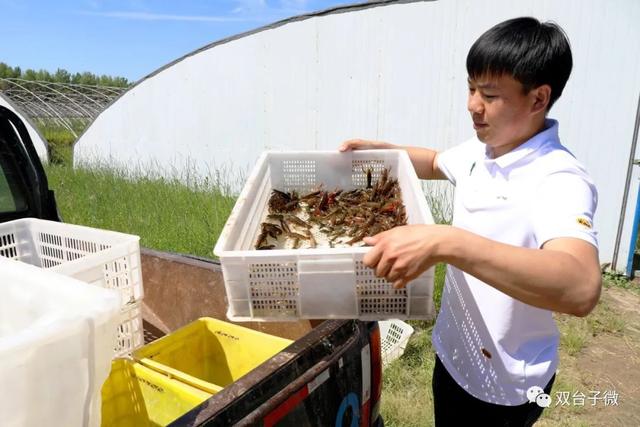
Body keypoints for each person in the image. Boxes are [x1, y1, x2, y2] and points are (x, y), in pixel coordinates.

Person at [339, 17, 601, 426]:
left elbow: (580, 287)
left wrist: (448, 242)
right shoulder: (486, 150)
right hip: (455, 352)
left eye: (489, 94)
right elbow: (434, 160)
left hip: (505, 386)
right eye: (471, 87)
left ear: (538, 99)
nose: (472, 105)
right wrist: (384, 151)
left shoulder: (558, 178)